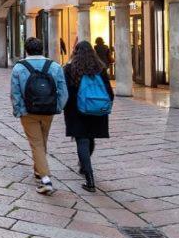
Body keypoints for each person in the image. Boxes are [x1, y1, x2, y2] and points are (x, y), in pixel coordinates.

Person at [10, 37, 69, 195]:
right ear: (42, 49)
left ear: (26, 50)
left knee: (36, 143)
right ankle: (38, 171)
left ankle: (45, 179)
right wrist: (58, 107)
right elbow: (63, 92)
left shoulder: (19, 68)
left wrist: (19, 110)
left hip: (29, 112)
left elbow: (15, 93)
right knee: (42, 141)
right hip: (48, 110)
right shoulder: (55, 66)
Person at [63, 41, 114, 193]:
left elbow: (66, 92)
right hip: (97, 109)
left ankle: (89, 178)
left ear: (75, 51)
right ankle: (84, 164)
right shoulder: (100, 68)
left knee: (82, 140)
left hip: (76, 110)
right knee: (90, 138)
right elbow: (109, 91)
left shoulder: (70, 68)